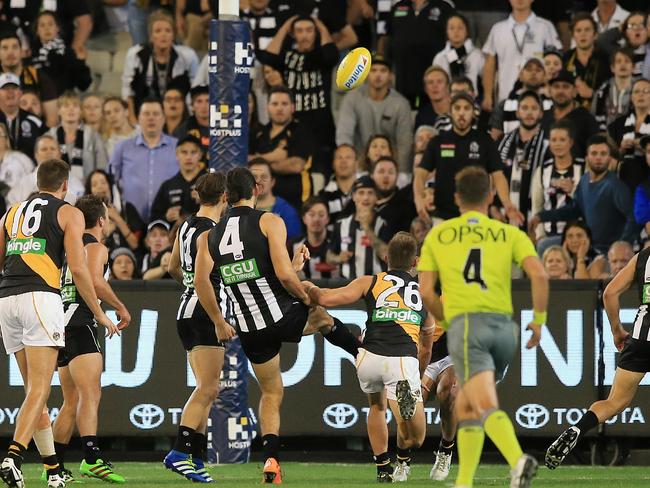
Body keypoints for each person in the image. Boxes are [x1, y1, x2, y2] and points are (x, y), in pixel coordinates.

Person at [193, 166, 360, 483]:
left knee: (271, 392)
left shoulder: (209, 236)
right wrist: (305, 294)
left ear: (226, 196)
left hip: (249, 328)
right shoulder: (269, 220)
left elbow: (201, 281)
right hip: (280, 314)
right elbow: (284, 277)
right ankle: (363, 353)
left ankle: (271, 459)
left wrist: (217, 320)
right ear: (256, 189)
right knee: (318, 307)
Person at [418, 165, 549, 488]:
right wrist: (539, 319)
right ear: (491, 195)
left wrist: (448, 321)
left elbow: (425, 292)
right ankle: (463, 481)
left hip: (468, 328)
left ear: (456, 198)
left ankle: (518, 461)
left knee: (483, 403)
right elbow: (540, 275)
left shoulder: (440, 234)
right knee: (465, 403)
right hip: (505, 330)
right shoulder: (509, 233)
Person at [0, 159, 118, 488]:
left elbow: (1, 259)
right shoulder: (69, 212)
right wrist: (98, 311)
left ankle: (53, 470)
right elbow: (80, 270)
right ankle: (13, 457)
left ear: (37, 182)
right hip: (41, 297)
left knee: (32, 394)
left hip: (7, 298)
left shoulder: (12, 212)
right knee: (40, 391)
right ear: (65, 186)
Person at [305, 232, 432, 482]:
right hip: (402, 360)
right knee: (416, 437)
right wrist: (417, 375)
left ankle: (383, 468)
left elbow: (327, 298)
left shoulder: (370, 281)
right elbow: (426, 348)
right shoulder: (425, 294)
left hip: (368, 359)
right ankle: (405, 419)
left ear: (385, 258)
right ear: (416, 262)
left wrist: (309, 287)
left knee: (376, 405)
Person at [545, 245, 650, 470]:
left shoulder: (644, 256)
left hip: (641, 339)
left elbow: (610, 292)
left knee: (614, 402)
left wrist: (617, 330)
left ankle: (578, 429)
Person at [52, 195, 131, 484]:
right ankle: (92, 457)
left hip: (59, 323)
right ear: (100, 220)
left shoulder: (66, 246)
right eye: (107, 217)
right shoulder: (95, 245)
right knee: (90, 394)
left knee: (70, 400)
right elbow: (96, 281)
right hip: (81, 320)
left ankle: (55, 466)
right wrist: (119, 307)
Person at [163, 172, 229, 483]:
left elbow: (173, 266)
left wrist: (189, 288)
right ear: (225, 197)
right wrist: (218, 318)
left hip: (186, 310)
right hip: (205, 313)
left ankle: (197, 458)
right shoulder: (214, 232)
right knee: (209, 388)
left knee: (204, 387)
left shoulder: (187, 224)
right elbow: (207, 278)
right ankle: (179, 451)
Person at [414, 92, 524, 226]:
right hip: (443, 217)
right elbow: (420, 174)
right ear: (450, 112)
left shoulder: (485, 141)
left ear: (473, 113)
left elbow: (498, 176)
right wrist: (418, 199)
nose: (461, 113)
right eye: (457, 108)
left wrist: (507, 204)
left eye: (466, 108)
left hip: (478, 216)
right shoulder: (437, 142)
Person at [530, 134, 637, 255]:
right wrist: (541, 217)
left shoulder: (614, 186)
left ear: (609, 158)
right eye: (594, 153)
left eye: (603, 154)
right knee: (543, 245)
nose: (598, 158)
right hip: (587, 243)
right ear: (587, 157)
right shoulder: (584, 180)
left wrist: (623, 244)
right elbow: (574, 209)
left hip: (605, 250)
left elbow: (633, 217)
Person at [258, 16, 338, 164]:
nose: (305, 35)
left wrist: (320, 25)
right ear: (293, 34)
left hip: (321, 125)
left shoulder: (321, 56)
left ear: (316, 33)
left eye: (309, 30)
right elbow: (267, 57)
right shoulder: (288, 57)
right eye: (299, 31)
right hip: (292, 125)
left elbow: (332, 54)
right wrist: (285, 26)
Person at [335, 55, 413, 177]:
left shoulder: (401, 104)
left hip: (389, 168)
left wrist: (401, 174)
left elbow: (405, 143)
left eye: (383, 71)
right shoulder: (352, 99)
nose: (378, 75)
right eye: (373, 70)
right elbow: (344, 136)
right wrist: (351, 168)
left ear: (391, 76)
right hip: (359, 167)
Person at [109, 98, 179, 222]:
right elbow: (110, 179)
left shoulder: (177, 147)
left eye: (156, 114)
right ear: (138, 118)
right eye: (146, 114)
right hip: (131, 222)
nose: (151, 118)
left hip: (169, 221)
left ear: (163, 118)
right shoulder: (123, 147)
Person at [122, 9, 199, 121]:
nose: (163, 35)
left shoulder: (188, 56)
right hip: (144, 114)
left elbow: (195, 89)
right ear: (151, 36)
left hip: (180, 116)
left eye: (168, 31)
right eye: (158, 31)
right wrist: (133, 120)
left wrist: (192, 119)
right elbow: (128, 90)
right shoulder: (135, 55)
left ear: (173, 35)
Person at [482, 0, 561, 109]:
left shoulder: (545, 27)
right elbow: (489, 64)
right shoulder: (498, 29)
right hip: (506, 97)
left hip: (539, 98)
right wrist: (487, 95)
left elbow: (556, 61)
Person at [249, 86, 316, 211]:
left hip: (297, 201)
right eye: (275, 104)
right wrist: (276, 157)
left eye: (284, 104)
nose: (279, 108)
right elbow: (249, 164)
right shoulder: (258, 134)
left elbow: (295, 165)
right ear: (267, 107)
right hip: (261, 203)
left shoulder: (301, 131)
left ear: (292, 107)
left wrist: (261, 162)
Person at [377, 0, 455, 108]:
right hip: (403, 73)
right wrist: (382, 64)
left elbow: (453, 39)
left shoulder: (444, 7)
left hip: (433, 74)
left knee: (430, 110)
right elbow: (386, 37)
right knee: (402, 108)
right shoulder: (398, 7)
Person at [530, 120, 586, 249]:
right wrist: (540, 235)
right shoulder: (542, 170)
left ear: (571, 142)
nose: (558, 144)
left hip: (579, 236)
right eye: (554, 140)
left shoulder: (583, 168)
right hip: (549, 236)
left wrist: (573, 191)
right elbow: (537, 206)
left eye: (562, 140)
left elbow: (589, 202)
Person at [497, 91, 549, 225]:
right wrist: (494, 208)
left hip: (535, 216)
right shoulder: (503, 142)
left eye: (534, 108)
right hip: (505, 215)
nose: (529, 113)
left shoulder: (547, 144)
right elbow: (495, 176)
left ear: (541, 113)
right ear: (517, 113)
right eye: (525, 108)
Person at [327, 176, 392, 279]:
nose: (366, 198)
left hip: (376, 285)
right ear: (353, 196)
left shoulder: (384, 224)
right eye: (361, 193)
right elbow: (329, 256)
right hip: (347, 284)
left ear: (376, 197)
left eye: (370, 193)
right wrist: (339, 258)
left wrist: (367, 228)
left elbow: (388, 257)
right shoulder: (341, 224)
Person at [7, 134, 84, 206]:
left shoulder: (74, 181)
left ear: (59, 154)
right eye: (44, 149)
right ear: (36, 155)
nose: (49, 152)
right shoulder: (23, 184)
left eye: (52, 149)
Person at [0, 32, 58, 127]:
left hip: (35, 133)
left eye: (15, 47)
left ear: (22, 52)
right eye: (5, 48)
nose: (10, 52)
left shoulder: (38, 77)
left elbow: (52, 120)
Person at [47, 91, 108, 181]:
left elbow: (102, 165)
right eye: (66, 106)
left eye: (75, 106)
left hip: (87, 189)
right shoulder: (50, 136)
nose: (71, 109)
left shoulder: (92, 135)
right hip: (56, 187)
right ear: (59, 110)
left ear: (80, 111)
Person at [488, 57, 552, 141]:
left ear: (544, 76)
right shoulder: (504, 105)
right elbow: (495, 139)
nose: (533, 73)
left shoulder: (552, 105)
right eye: (529, 69)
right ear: (520, 75)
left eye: (538, 70)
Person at [30, 10, 92, 95]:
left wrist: (80, 63)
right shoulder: (32, 55)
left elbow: (83, 85)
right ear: (37, 31)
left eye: (50, 24)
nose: (47, 28)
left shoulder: (68, 53)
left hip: (63, 101)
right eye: (42, 25)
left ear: (57, 28)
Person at [543, 70, 600, 158]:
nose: (560, 91)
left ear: (575, 91)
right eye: (556, 87)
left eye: (565, 87)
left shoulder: (586, 119)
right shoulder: (543, 117)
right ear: (550, 91)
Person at [85, 169, 144, 254]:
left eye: (103, 182)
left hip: (127, 259)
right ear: (89, 191)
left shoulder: (127, 208)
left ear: (110, 186)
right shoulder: (85, 214)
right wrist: (107, 230)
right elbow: (90, 251)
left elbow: (135, 244)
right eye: (94, 184)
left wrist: (118, 219)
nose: (100, 187)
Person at [150, 135, 205, 225]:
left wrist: (206, 201)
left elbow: (224, 212)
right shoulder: (168, 185)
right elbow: (153, 219)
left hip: (205, 236)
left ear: (200, 155)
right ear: (176, 155)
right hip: (174, 237)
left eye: (193, 152)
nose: (188, 157)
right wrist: (166, 217)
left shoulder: (209, 183)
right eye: (184, 152)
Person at [608, 78, 650, 190]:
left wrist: (645, 147)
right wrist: (621, 148)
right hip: (623, 179)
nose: (641, 95)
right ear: (631, 97)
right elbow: (611, 155)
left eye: (646, 91)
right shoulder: (618, 124)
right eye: (636, 91)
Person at [563, 12, 611, 109]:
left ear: (595, 35)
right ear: (573, 35)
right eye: (578, 30)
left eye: (587, 30)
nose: (583, 34)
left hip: (600, 111)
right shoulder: (566, 59)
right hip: (571, 112)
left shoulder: (606, 58)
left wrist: (593, 94)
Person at [249, 158, 302, 240]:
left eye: (264, 177)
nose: (258, 181)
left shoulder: (287, 211)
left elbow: (294, 244)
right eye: (254, 177)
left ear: (272, 181)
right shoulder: (237, 209)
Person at [432, 13, 485, 94]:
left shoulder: (477, 55)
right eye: (452, 28)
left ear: (467, 31)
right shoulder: (440, 57)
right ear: (446, 31)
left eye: (460, 28)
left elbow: (485, 80)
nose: (456, 31)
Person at [289, 197, 338, 280]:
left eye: (321, 215)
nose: (316, 219)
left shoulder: (338, 242)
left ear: (328, 219)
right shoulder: (294, 245)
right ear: (304, 218)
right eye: (311, 215)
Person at [0, 73, 47, 159]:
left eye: (14, 88)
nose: (10, 92)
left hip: (30, 170)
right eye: (5, 88)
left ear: (20, 93)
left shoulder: (35, 121)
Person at [371, 156, 417, 237]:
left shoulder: (406, 208)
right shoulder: (361, 203)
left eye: (391, 172)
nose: (386, 176)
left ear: (397, 176)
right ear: (372, 175)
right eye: (381, 171)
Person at [591, 47, 636, 131]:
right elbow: (594, 117)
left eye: (627, 61)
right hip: (606, 135)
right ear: (612, 67)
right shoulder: (602, 91)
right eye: (619, 61)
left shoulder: (642, 89)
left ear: (633, 67)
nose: (623, 65)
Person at [319, 144, 359, 223]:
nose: (343, 161)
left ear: (356, 164)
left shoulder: (368, 191)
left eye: (348, 157)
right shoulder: (323, 196)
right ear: (333, 164)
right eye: (339, 157)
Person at [173, 85, 209, 162]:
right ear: (192, 106)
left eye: (208, 101)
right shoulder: (182, 130)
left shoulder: (222, 127)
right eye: (199, 101)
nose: (204, 106)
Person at [414, 66, 451, 131]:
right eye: (430, 82)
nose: (435, 86)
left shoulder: (458, 110)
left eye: (439, 82)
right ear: (425, 89)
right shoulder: (422, 117)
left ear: (447, 87)